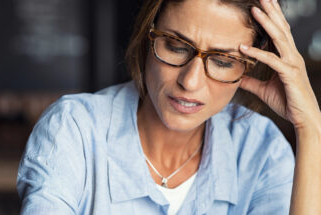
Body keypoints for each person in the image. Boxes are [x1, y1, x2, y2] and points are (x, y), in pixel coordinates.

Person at [17, 0, 321, 214]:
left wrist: (311, 128)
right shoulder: (74, 130)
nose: (190, 82)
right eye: (176, 46)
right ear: (147, 36)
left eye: (223, 61)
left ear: (249, 66)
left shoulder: (261, 150)